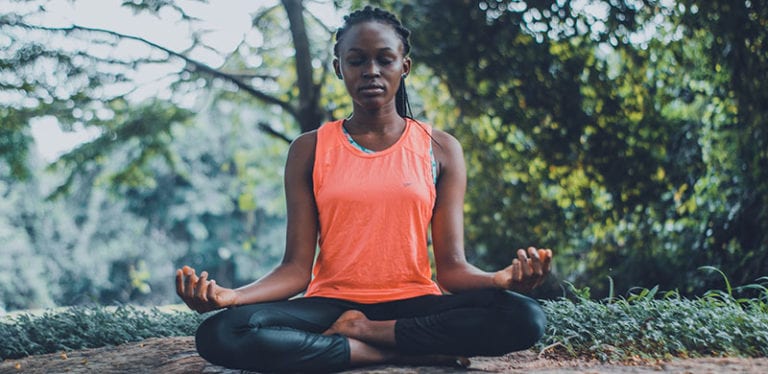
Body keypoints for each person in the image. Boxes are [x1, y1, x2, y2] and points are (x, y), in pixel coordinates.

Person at [176, 6, 553, 372]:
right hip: (329, 306)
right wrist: (232, 296)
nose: (371, 71)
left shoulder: (440, 148)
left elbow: (452, 270)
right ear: (339, 67)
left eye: (384, 60)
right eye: (356, 61)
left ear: (404, 66)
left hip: (414, 304)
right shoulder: (309, 149)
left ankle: (364, 334)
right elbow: (294, 269)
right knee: (222, 332)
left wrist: (499, 279)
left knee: (524, 316)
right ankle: (392, 353)